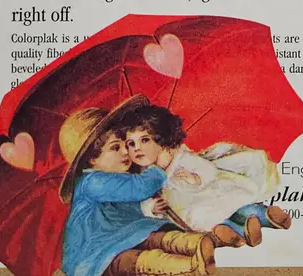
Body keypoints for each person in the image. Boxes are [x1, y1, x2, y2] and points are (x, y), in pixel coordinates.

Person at [58, 96, 215, 276]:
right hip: (96, 252)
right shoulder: (92, 182)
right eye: (115, 148)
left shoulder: (113, 178)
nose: (126, 151)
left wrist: (146, 208)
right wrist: (157, 166)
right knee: (135, 260)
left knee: (153, 236)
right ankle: (190, 267)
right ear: (92, 159)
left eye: (126, 144)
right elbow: (139, 188)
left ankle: (195, 243)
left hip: (126, 234)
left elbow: (122, 209)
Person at [118, 105, 291, 249]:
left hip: (208, 195)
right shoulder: (145, 175)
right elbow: (143, 198)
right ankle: (238, 234)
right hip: (191, 213)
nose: (136, 148)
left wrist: (195, 178)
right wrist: (151, 208)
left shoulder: (182, 159)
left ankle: (265, 216)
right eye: (131, 144)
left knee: (238, 209)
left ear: (161, 139)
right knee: (215, 223)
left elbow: (208, 170)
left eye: (144, 140)